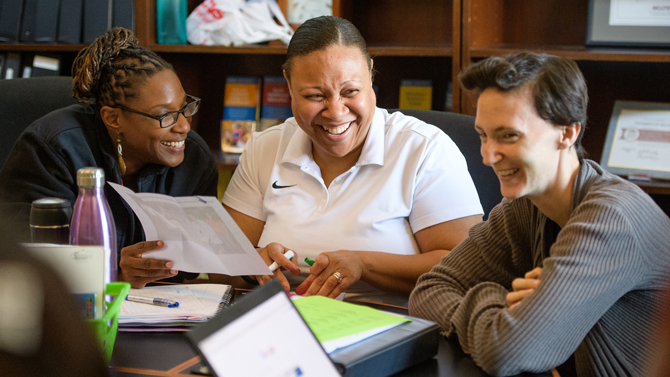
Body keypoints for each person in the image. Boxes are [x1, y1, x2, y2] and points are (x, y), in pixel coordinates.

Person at [408, 52, 670, 376]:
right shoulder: (524, 206)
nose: (488, 155)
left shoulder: (611, 218)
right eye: (483, 135)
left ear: (567, 133)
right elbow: (428, 291)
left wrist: (516, 315)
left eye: (509, 135)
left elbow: (506, 352)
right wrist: (505, 303)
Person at [221, 16, 483, 305]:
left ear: (370, 74)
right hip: (283, 323)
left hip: (390, 325)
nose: (335, 112)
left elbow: (465, 269)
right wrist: (254, 265)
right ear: (288, 83)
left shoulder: (424, 149)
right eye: (315, 95)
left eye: (350, 92)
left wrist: (363, 264)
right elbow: (221, 267)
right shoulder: (264, 147)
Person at [0, 28, 219, 289]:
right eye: (165, 115)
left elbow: (189, 269)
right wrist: (114, 271)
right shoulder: (53, 149)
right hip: (70, 310)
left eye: (185, 108)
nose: (183, 126)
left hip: (159, 311)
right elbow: (28, 262)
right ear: (113, 118)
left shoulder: (195, 159)